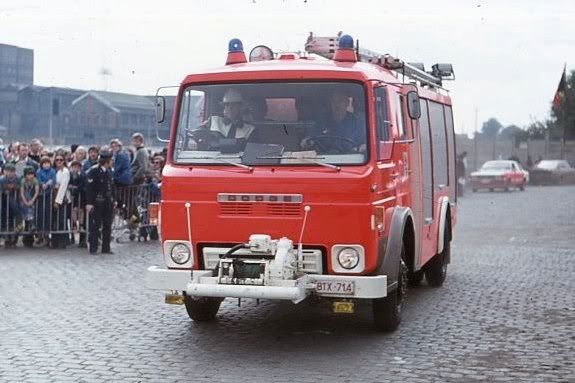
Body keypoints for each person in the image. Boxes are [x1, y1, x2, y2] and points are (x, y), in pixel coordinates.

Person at [187, 89, 255, 150]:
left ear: (240, 107)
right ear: (224, 107)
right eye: (227, 105)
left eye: (234, 105)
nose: (230, 108)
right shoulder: (213, 120)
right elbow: (197, 131)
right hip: (212, 161)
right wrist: (192, 139)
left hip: (238, 163)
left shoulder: (250, 129)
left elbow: (251, 152)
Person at [302, 91, 366, 153]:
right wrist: (307, 142)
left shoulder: (357, 122)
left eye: (340, 101)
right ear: (330, 103)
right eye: (334, 101)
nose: (337, 105)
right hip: (325, 160)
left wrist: (359, 149)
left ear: (347, 103)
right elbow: (311, 138)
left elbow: (364, 144)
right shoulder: (321, 122)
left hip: (353, 161)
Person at [86, 148, 116, 255]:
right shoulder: (93, 171)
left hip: (107, 201)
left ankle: (106, 247)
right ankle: (93, 248)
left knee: (107, 225)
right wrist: (89, 203)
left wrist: (114, 199)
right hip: (97, 201)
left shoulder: (109, 171)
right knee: (95, 226)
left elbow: (112, 186)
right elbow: (89, 188)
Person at [36, 157, 56, 246]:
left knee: (48, 213)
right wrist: (42, 184)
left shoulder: (52, 171)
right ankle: (40, 234)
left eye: (48, 163)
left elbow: (53, 179)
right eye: (44, 163)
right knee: (40, 213)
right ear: (41, 164)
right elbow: (38, 179)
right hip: (40, 195)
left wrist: (49, 183)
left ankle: (47, 234)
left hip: (49, 195)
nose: (46, 165)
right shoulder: (39, 171)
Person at [51, 154, 71, 249]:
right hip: (53, 196)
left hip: (62, 199)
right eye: (57, 160)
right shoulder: (54, 171)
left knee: (62, 220)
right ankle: (55, 241)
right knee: (55, 220)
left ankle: (62, 242)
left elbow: (63, 187)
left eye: (61, 160)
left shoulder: (65, 171)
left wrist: (57, 201)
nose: (59, 161)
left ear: (64, 161)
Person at [0, 163, 21, 248]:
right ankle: (6, 238)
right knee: (4, 219)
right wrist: (5, 190)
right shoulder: (2, 179)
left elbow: (19, 187)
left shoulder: (17, 179)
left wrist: (14, 188)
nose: (10, 173)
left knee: (12, 219)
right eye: (8, 171)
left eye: (12, 171)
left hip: (14, 201)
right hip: (4, 202)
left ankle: (13, 238)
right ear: (4, 171)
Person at [68, 160, 87, 247]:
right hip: (73, 197)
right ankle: (75, 224)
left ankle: (81, 225)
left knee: (81, 211)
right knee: (73, 210)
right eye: (74, 167)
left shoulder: (82, 175)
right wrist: (72, 187)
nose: (75, 169)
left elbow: (82, 186)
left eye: (77, 167)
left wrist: (75, 188)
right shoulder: (70, 175)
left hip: (81, 196)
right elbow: (68, 184)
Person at [19, 166, 39, 247]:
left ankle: (30, 237)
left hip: (32, 201)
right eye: (29, 174)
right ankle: (25, 237)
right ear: (25, 175)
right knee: (26, 218)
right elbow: (22, 192)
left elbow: (36, 192)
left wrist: (32, 201)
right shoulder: (23, 181)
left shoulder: (35, 180)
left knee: (31, 217)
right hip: (24, 201)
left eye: (32, 174)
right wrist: (25, 202)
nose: (31, 176)